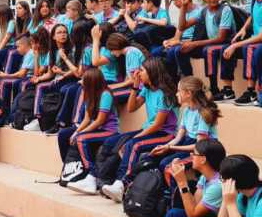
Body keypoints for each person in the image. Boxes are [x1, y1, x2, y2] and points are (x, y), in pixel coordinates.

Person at [100, 58, 180, 202]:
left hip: (166, 133)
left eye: (142, 70)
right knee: (115, 141)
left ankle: (122, 183)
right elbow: (131, 108)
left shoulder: (164, 94)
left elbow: (158, 125)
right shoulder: (147, 89)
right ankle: (105, 179)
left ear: (152, 72)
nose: (138, 73)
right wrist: (135, 87)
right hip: (149, 129)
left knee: (134, 144)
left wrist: (135, 138)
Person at [152, 76, 221, 183]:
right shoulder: (187, 111)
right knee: (156, 158)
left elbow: (199, 146)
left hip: (204, 151)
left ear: (188, 93)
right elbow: (178, 138)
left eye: (179, 91)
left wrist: (170, 147)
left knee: (168, 165)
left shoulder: (203, 113)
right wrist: (165, 146)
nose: (176, 94)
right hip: (190, 144)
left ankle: (177, 192)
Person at [64, 68, 121, 194]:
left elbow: (100, 121)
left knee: (81, 139)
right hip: (98, 130)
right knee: (73, 136)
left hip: (110, 131)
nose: (81, 82)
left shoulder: (105, 94)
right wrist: (76, 132)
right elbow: (87, 119)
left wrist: (80, 134)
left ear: (92, 81)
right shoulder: (88, 93)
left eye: (84, 79)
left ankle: (92, 176)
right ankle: (86, 175)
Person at [156, 0, 204, 79]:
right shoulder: (183, 13)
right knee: (156, 52)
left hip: (193, 42)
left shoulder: (200, 11)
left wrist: (178, 42)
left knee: (174, 51)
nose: (174, 3)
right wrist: (167, 42)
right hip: (182, 42)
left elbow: (199, 37)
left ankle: (185, 80)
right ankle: (170, 81)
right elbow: (177, 36)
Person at [21, 28, 57, 132]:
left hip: (52, 79)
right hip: (43, 77)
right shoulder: (40, 54)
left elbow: (41, 74)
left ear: (40, 42)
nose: (32, 46)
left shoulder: (49, 53)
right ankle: (24, 115)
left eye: (34, 43)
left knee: (39, 87)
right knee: (25, 84)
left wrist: (38, 78)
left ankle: (38, 118)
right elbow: (37, 74)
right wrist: (36, 56)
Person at [0, 35, 36, 114]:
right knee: (5, 82)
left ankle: (6, 112)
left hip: (29, 78)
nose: (17, 49)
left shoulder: (30, 54)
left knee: (4, 82)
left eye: (18, 46)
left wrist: (6, 75)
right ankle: (6, 111)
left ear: (24, 45)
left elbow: (22, 74)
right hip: (25, 77)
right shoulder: (27, 54)